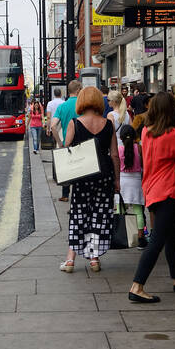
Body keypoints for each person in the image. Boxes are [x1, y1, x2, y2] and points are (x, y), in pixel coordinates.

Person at [128, 93, 175, 302]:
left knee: (170, 236)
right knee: (157, 241)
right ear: (171, 111)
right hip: (167, 191)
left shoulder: (147, 132)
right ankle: (137, 286)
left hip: (151, 189)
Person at [60, 85, 120, 273]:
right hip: (104, 177)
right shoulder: (108, 124)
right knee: (98, 216)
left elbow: (65, 148)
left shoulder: (74, 123)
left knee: (79, 215)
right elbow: (115, 155)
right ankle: (94, 258)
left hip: (82, 177)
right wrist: (117, 181)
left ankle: (70, 260)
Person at [53, 80, 81, 202]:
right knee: (80, 169)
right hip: (82, 142)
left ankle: (65, 195)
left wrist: (60, 143)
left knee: (68, 169)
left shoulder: (62, 106)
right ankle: (78, 196)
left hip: (66, 142)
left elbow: (53, 126)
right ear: (79, 90)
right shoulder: (82, 104)